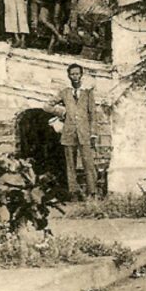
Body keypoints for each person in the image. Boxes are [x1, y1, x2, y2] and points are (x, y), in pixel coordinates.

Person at [45, 63, 99, 199]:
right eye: (72, 74)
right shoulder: (64, 92)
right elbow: (47, 106)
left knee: (88, 163)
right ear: (69, 75)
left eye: (77, 74)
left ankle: (92, 192)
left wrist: (93, 133)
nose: (75, 76)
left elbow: (93, 114)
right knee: (70, 164)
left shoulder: (87, 93)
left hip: (84, 133)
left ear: (81, 75)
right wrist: (62, 113)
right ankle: (73, 193)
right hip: (68, 132)